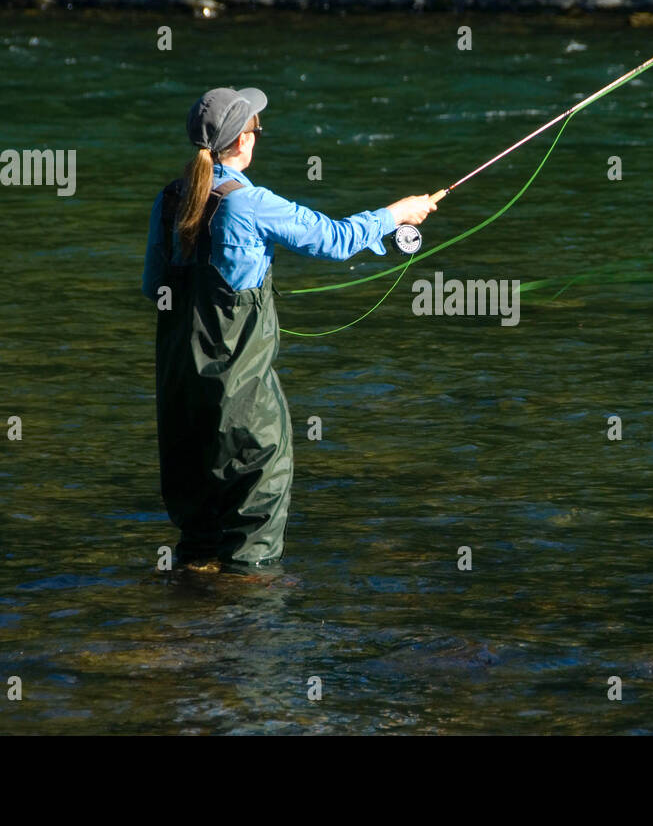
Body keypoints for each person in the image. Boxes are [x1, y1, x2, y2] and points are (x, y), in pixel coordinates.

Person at [142, 86, 440, 574]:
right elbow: (336, 240)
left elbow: (155, 288)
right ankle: (246, 629)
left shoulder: (169, 198)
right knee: (253, 531)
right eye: (257, 129)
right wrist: (398, 214)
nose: (259, 136)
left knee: (197, 534)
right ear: (241, 142)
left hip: (178, 395)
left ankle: (188, 628)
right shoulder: (251, 204)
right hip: (241, 397)